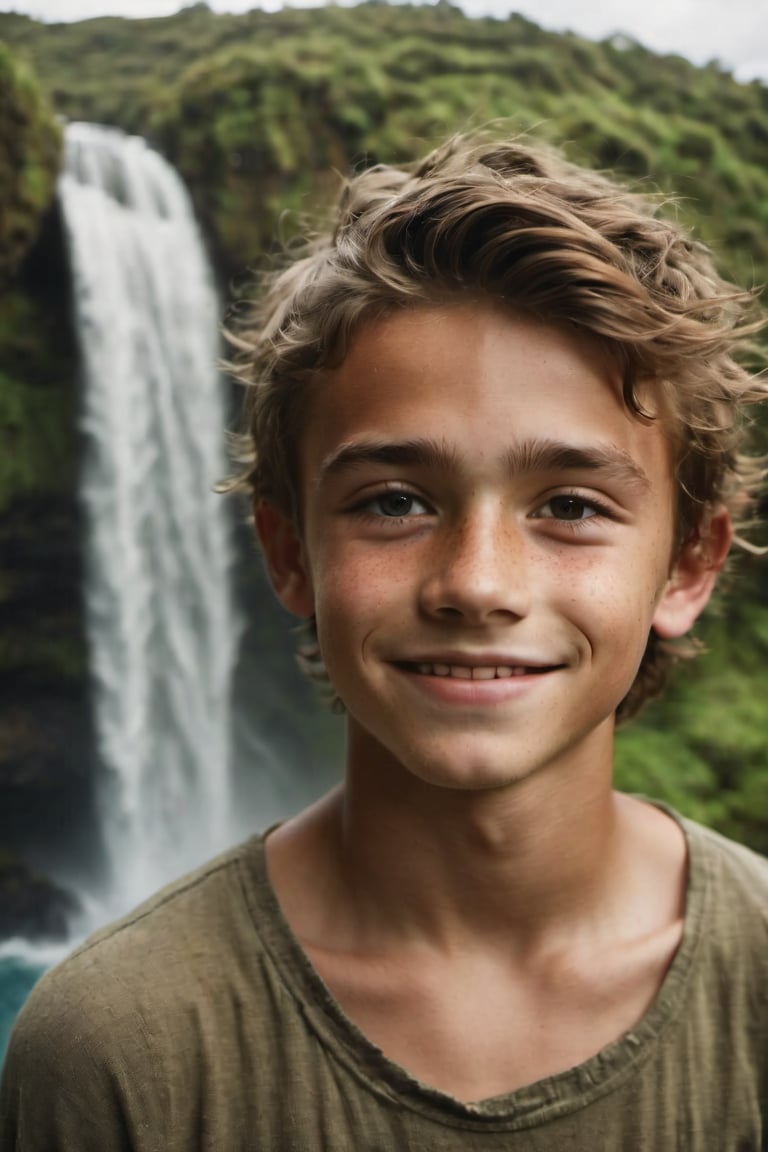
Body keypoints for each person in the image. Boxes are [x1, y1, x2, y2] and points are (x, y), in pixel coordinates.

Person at [2, 131, 767, 1150]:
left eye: (572, 507)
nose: (476, 583)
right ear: (288, 554)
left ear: (688, 565)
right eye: (396, 501)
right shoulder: (114, 1047)